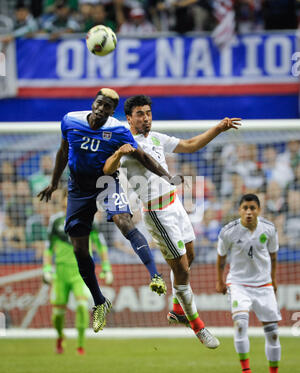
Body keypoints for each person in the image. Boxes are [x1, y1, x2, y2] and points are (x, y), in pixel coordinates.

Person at [103, 94, 241, 349]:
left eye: (148, 113)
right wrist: (118, 153)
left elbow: (189, 144)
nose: (146, 118)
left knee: (191, 254)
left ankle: (178, 309)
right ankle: (197, 324)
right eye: (140, 114)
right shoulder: (123, 139)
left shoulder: (156, 138)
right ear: (130, 118)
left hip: (174, 204)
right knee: (181, 269)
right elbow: (107, 168)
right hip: (156, 213)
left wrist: (218, 129)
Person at [38, 88, 180, 334]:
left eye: (107, 107)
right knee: (79, 249)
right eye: (99, 103)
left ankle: (155, 275)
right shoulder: (71, 120)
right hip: (78, 190)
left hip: (106, 183)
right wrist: (53, 182)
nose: (101, 109)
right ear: (94, 102)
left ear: (112, 111)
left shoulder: (118, 130)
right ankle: (100, 301)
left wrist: (167, 175)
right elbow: (63, 152)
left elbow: (143, 157)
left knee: (124, 221)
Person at [216, 193, 285, 373]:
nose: (248, 212)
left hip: (263, 285)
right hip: (238, 284)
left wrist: (273, 279)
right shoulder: (228, 231)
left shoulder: (269, 229)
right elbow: (221, 258)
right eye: (245, 208)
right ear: (239, 210)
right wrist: (220, 281)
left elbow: (273, 255)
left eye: (252, 208)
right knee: (240, 324)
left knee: (272, 334)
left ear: (258, 210)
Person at [43, 189, 114, 354]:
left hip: (80, 272)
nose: (68, 200)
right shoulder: (55, 221)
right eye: (66, 198)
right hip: (60, 273)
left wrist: (106, 267)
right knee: (58, 314)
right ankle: (60, 336)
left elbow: (101, 244)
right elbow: (48, 248)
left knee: (82, 306)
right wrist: (46, 268)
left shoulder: (88, 219)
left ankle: (80, 345)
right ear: (61, 201)